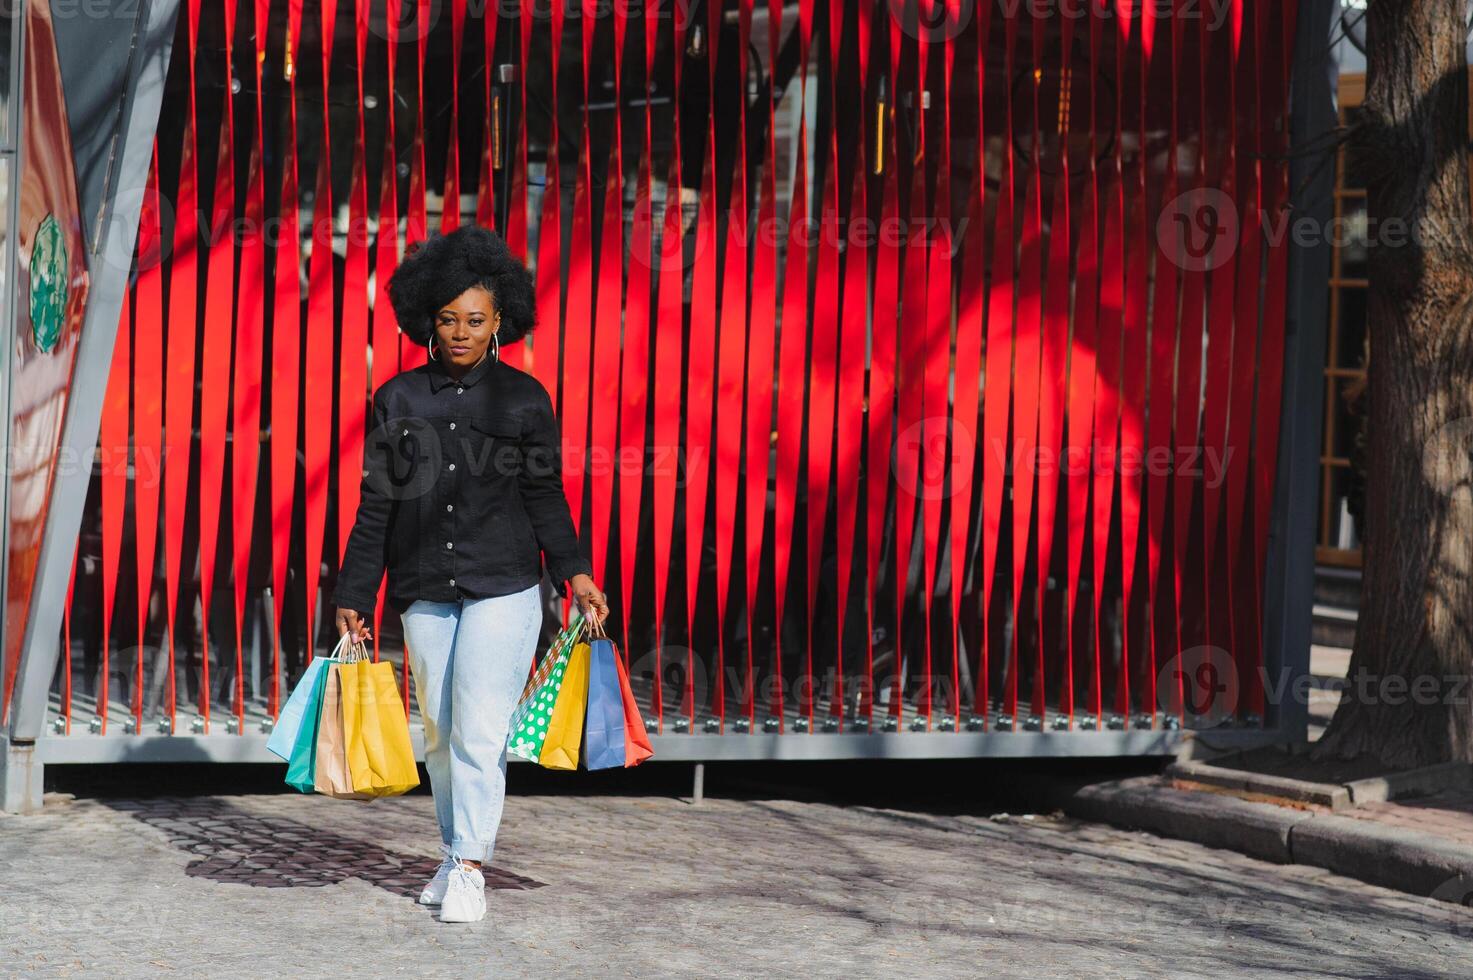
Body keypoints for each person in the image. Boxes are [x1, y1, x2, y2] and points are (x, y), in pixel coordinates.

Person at [331, 224, 608, 924]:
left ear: (500, 322)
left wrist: (574, 575)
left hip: (505, 588)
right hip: (424, 589)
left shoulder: (522, 399)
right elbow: (377, 504)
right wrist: (354, 593)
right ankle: (455, 851)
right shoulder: (397, 398)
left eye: (475, 320)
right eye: (448, 319)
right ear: (428, 318)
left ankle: (470, 867)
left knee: (480, 733)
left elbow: (545, 493)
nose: (460, 332)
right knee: (440, 733)